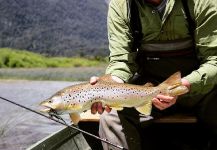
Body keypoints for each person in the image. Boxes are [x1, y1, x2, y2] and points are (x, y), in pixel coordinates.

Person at [90, 0, 217, 149]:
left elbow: (214, 60)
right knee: (111, 117)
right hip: (148, 90)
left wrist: (183, 85)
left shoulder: (202, 2)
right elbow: (121, 61)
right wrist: (109, 85)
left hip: (205, 92)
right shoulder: (121, 5)